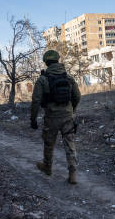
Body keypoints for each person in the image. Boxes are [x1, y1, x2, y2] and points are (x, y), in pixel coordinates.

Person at [30, 50, 81, 184]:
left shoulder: (42, 79)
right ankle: (73, 174)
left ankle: (47, 167)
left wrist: (33, 119)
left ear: (46, 62)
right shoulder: (68, 77)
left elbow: (36, 100)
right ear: (58, 60)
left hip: (51, 117)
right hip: (67, 117)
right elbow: (77, 96)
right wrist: (72, 109)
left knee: (49, 144)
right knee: (70, 144)